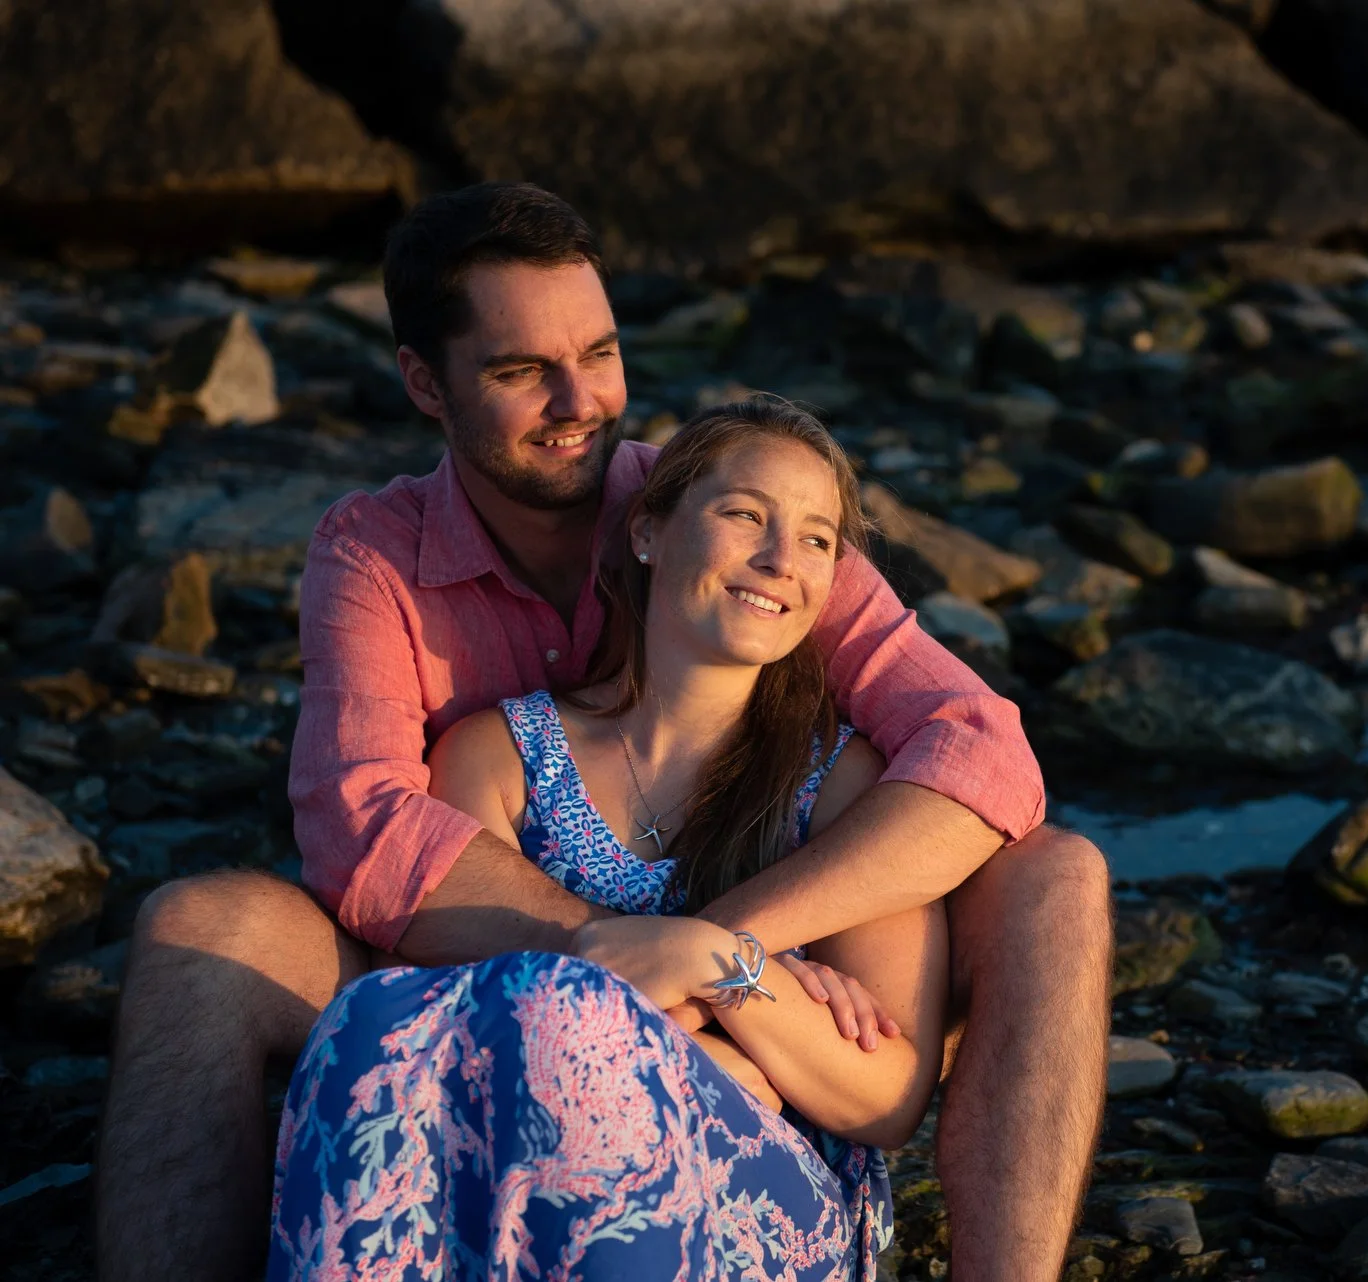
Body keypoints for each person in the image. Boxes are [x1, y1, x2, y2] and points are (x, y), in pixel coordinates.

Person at [97, 182, 1111, 1282]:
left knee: (1056, 877)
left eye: (600, 352)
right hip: (487, 942)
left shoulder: (721, 509)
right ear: (424, 382)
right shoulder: (374, 555)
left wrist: (713, 951)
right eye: (521, 369)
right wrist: (608, 972)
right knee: (202, 929)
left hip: (770, 982)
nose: (580, 400)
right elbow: (360, 826)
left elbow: (979, 744)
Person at [271, 402, 944, 1278]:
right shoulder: (499, 755)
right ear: (648, 533)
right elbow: (459, 1026)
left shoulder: (844, 782)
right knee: (373, 1022)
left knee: (559, 1014)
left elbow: (887, 1096)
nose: (783, 559)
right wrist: (698, 1046)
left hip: (762, 1190)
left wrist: (717, 966)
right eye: (746, 515)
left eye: (819, 540)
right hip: (516, 1150)